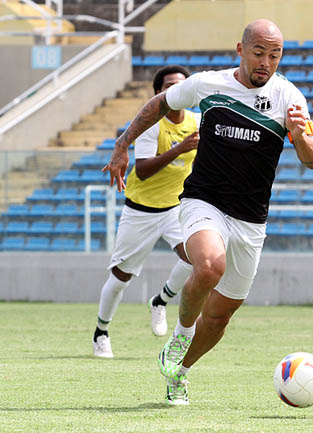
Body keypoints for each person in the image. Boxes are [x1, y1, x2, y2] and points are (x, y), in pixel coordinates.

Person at [103, 19, 313, 405]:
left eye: (275, 55)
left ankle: (180, 372)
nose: (266, 63)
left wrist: (302, 136)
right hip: (204, 201)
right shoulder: (208, 84)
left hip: (251, 219)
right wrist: (123, 144)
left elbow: (312, 159)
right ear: (240, 49)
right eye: (258, 53)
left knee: (220, 317)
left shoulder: (290, 97)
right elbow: (159, 104)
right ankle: (182, 332)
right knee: (208, 266)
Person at [92, 65, 199, 359]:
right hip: (141, 211)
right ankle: (101, 331)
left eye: (181, 86)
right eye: (168, 86)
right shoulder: (152, 125)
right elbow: (144, 170)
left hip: (176, 208)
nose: (175, 90)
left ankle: (161, 301)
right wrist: (180, 149)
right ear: (158, 94)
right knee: (120, 278)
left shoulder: (197, 122)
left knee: (197, 258)